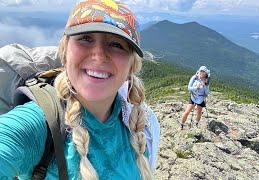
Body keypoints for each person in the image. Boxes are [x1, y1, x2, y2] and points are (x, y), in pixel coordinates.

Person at [0, 0, 160, 179]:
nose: (99, 56)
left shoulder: (142, 122)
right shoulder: (38, 124)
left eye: (116, 45)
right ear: (65, 52)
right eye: (85, 38)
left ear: (132, 66)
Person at [180, 66, 210, 130]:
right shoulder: (195, 77)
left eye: (203, 71)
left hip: (201, 98)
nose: (201, 72)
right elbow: (189, 87)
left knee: (199, 112)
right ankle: (181, 125)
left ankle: (196, 124)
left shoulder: (206, 80)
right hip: (193, 97)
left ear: (205, 73)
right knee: (187, 112)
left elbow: (207, 92)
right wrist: (195, 88)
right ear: (199, 71)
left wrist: (204, 85)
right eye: (201, 71)